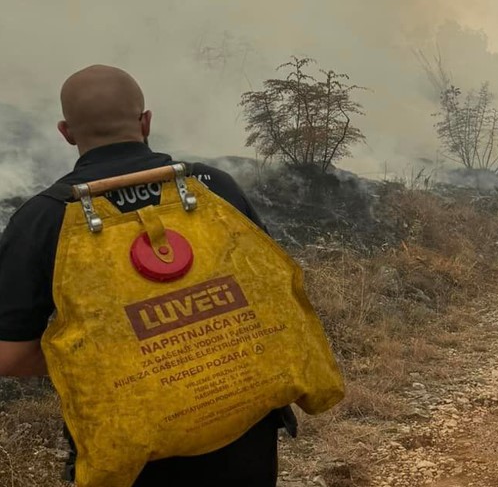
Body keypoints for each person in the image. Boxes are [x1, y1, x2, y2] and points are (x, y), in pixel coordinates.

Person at [0, 65, 294, 486]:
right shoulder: (213, 187)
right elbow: (272, 289)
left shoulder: (43, 217)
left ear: (66, 132)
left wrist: (120, 359)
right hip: (241, 430)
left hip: (130, 447)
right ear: (145, 121)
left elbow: (8, 355)